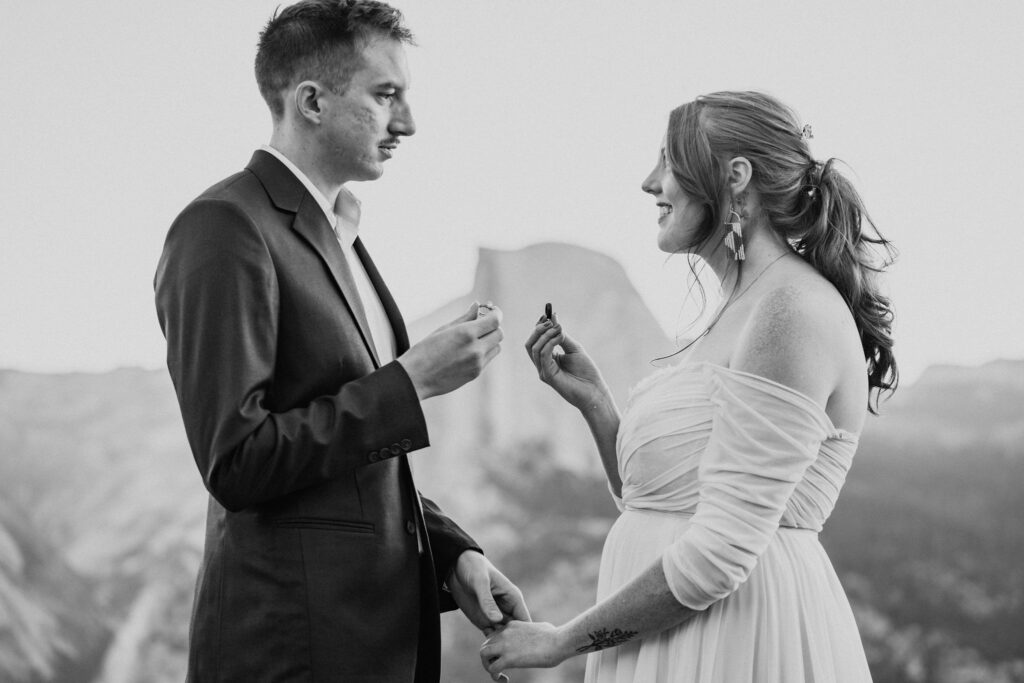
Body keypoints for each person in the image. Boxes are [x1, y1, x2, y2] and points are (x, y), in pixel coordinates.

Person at [154, 2, 528, 681]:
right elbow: (237, 460)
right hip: (292, 652)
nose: (407, 123)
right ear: (312, 102)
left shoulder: (343, 238)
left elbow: (354, 459)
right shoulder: (224, 226)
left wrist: (450, 553)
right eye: (387, 95)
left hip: (367, 643)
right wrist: (409, 383)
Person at [480, 91, 897, 682]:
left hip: (738, 642)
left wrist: (559, 642)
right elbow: (659, 500)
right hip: (677, 642)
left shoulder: (788, 310)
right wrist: (597, 403)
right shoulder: (743, 307)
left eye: (668, 161)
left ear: (735, 177)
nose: (650, 183)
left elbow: (718, 555)